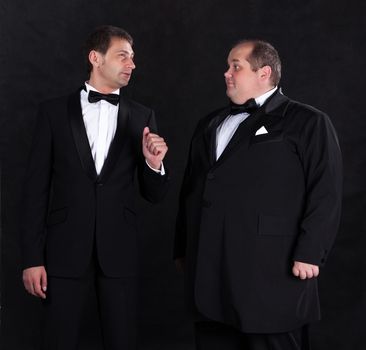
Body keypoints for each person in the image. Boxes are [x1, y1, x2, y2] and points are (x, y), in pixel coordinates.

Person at [174, 39, 342, 350]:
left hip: (271, 274)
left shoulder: (308, 122)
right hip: (211, 271)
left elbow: (326, 190)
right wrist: (184, 247)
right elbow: (192, 188)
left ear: (264, 73)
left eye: (235, 66)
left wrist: (310, 251)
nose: (226, 73)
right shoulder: (209, 123)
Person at [21, 25, 169, 350]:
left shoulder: (143, 116)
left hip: (120, 252)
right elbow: (35, 191)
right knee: (58, 340)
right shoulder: (53, 113)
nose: (132, 65)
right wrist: (32, 258)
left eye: (133, 58)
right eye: (123, 56)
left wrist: (153, 164)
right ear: (95, 58)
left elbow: (154, 195)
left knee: (122, 341)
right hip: (62, 252)